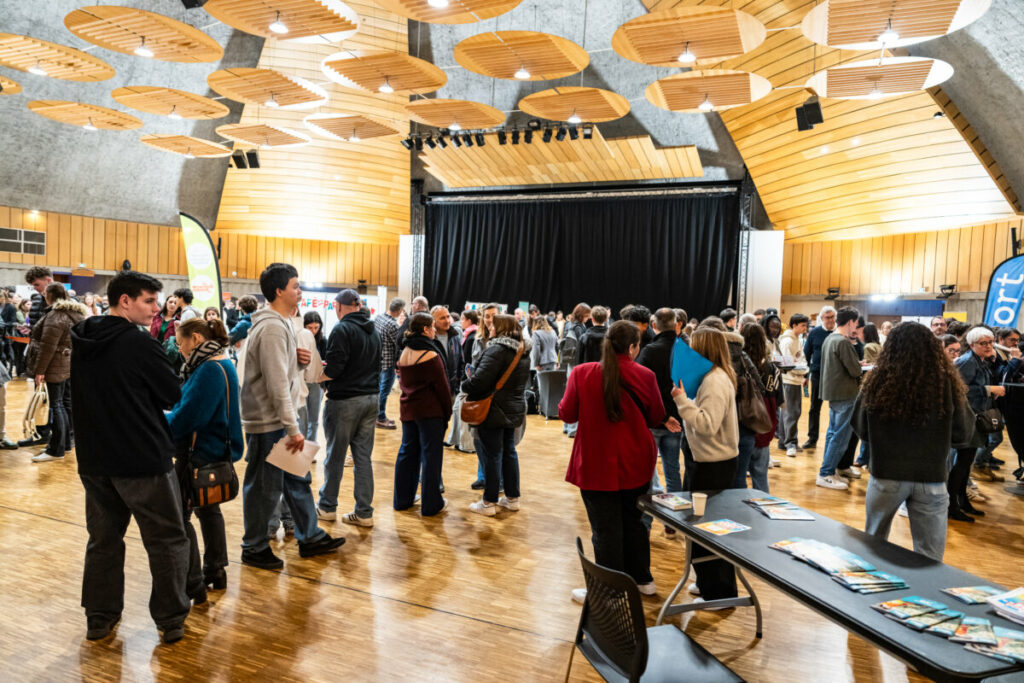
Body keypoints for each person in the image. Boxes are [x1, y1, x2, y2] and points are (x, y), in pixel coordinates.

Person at [71, 271, 191, 644]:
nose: (157, 309)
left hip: (95, 458)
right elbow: (171, 393)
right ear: (125, 301)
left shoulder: (84, 339)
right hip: (141, 460)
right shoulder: (139, 344)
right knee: (168, 539)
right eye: (149, 301)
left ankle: (99, 616)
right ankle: (171, 619)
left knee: (103, 539)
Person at [240, 263, 345, 570]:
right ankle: (254, 546)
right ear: (278, 291)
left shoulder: (282, 323)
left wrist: (297, 364)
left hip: (281, 419)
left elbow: (281, 375)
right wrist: (292, 426)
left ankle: (309, 535)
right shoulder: (272, 326)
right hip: (269, 422)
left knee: (297, 479)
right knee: (263, 487)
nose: (300, 291)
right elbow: (274, 385)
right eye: (295, 286)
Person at [561, 321, 664, 603]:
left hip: (596, 462)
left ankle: (609, 590)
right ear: (632, 347)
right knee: (635, 522)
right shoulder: (645, 375)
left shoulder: (582, 373)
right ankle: (643, 580)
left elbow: (567, 414)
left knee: (605, 529)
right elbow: (656, 416)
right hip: (637, 459)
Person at [854, 323, 971, 560]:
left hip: (886, 474)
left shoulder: (877, 380)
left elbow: (861, 429)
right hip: (931, 476)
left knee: (872, 549)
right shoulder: (946, 382)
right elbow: (963, 433)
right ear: (932, 347)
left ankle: (868, 596)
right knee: (930, 557)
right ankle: (924, 596)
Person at [166, 317, 243, 594]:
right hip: (213, 449)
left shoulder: (208, 369)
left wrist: (163, 417)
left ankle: (192, 580)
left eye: (181, 343)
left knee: (182, 516)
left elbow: (188, 418)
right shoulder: (221, 362)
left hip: (199, 452)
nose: (180, 350)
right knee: (208, 509)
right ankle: (215, 569)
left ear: (196, 339)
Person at [671, 327, 739, 602]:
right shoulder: (713, 377)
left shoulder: (714, 380)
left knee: (710, 530)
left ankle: (719, 592)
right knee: (702, 527)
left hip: (714, 464)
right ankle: (709, 583)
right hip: (708, 461)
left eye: (694, 343)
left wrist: (681, 401)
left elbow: (708, 425)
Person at [319, 289, 381, 527]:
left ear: (338, 306)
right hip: (370, 399)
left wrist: (318, 376)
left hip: (345, 401)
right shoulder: (373, 329)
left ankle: (327, 507)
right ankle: (364, 512)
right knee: (363, 458)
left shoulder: (341, 329)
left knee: (335, 455)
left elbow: (335, 368)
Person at [461, 314, 530, 516]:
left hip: (493, 409)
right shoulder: (523, 351)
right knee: (509, 452)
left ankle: (488, 502)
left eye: (492, 326)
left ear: (501, 329)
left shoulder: (497, 350)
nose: (489, 328)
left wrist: (465, 383)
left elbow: (479, 382)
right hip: (514, 408)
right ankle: (512, 498)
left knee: (492, 455)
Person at [393, 312, 452, 516]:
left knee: (407, 454)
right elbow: (443, 389)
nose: (435, 330)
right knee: (431, 458)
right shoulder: (430, 354)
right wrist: (448, 412)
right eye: (433, 327)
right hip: (430, 412)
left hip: (409, 410)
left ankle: (402, 500)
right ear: (426, 329)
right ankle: (431, 504)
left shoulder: (405, 351)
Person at [26, 284, 88, 462]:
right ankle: (66, 443)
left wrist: (40, 370)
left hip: (55, 365)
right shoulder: (76, 313)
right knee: (64, 403)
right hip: (68, 364)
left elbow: (47, 347)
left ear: (50, 296)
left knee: (57, 405)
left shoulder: (55, 315)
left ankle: (56, 449)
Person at [951, 327, 1003, 521]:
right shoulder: (967, 362)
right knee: (962, 463)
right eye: (983, 343)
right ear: (972, 345)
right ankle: (953, 504)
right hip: (967, 418)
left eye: (990, 342)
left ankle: (962, 500)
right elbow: (960, 389)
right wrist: (988, 389)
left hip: (975, 417)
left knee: (966, 463)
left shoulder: (981, 360)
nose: (988, 346)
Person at [636, 309, 684, 501]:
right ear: (676, 325)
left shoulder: (649, 351)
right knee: (673, 470)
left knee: (647, 471)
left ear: (654, 326)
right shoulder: (684, 350)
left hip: (653, 418)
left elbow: (640, 386)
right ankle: (675, 520)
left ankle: (646, 519)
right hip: (677, 416)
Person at [817, 307, 863, 490]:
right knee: (840, 436)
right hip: (845, 393)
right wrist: (860, 367)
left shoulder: (830, 338)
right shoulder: (842, 342)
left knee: (833, 433)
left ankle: (829, 470)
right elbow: (855, 370)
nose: (856, 327)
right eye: (856, 323)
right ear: (851, 321)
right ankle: (826, 473)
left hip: (835, 393)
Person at [738, 322, 777, 492]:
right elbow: (778, 400)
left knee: (738, 477)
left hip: (743, 423)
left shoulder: (738, 365)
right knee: (760, 476)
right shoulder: (771, 368)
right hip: (764, 422)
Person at [802, 306, 837, 449]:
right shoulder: (814, 333)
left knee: (836, 408)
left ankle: (834, 438)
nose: (830, 320)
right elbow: (806, 354)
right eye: (827, 317)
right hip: (817, 374)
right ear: (822, 318)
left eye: (832, 317)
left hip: (836, 376)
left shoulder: (839, 333)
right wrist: (805, 375)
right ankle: (812, 438)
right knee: (814, 408)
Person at [778, 313, 809, 456]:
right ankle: (790, 443)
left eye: (805, 325)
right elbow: (785, 363)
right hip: (788, 380)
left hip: (794, 380)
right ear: (794, 325)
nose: (805, 328)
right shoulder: (787, 341)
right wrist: (801, 368)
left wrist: (802, 368)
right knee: (791, 412)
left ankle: (784, 441)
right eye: (802, 325)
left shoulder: (796, 339)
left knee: (790, 412)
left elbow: (800, 360)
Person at [375, 297, 404, 430]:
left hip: (378, 360)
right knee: (384, 391)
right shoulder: (393, 325)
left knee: (378, 390)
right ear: (398, 311)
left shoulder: (379, 318)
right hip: (388, 362)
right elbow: (399, 344)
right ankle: (380, 417)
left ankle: (377, 415)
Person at [301, 312, 326, 442]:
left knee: (314, 418)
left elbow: (327, 362)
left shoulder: (322, 341)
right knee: (302, 418)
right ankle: (301, 445)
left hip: (317, 382)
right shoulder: (300, 338)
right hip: (302, 381)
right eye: (310, 328)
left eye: (316, 327)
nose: (313, 331)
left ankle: (311, 445)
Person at [431, 305, 463, 395]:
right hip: (433, 392)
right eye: (442, 318)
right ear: (433, 321)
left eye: (448, 316)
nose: (447, 321)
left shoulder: (455, 337)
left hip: (452, 389)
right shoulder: (429, 339)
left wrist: (457, 383)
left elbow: (461, 361)